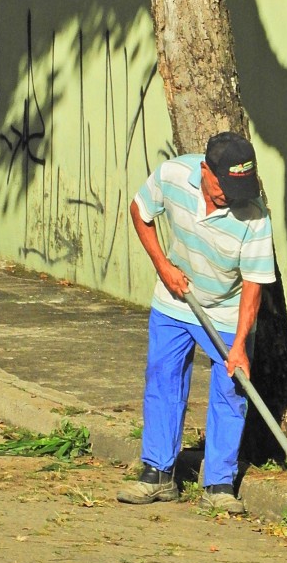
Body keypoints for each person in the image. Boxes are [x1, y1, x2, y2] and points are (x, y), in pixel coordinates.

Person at [117, 131, 276, 513]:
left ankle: (219, 484)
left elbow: (253, 286)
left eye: (242, 186)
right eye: (226, 186)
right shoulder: (172, 175)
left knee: (230, 388)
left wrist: (239, 346)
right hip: (174, 301)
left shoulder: (254, 214)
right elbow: (141, 211)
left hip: (224, 310)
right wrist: (163, 265)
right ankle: (157, 474)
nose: (233, 196)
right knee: (163, 380)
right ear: (205, 170)